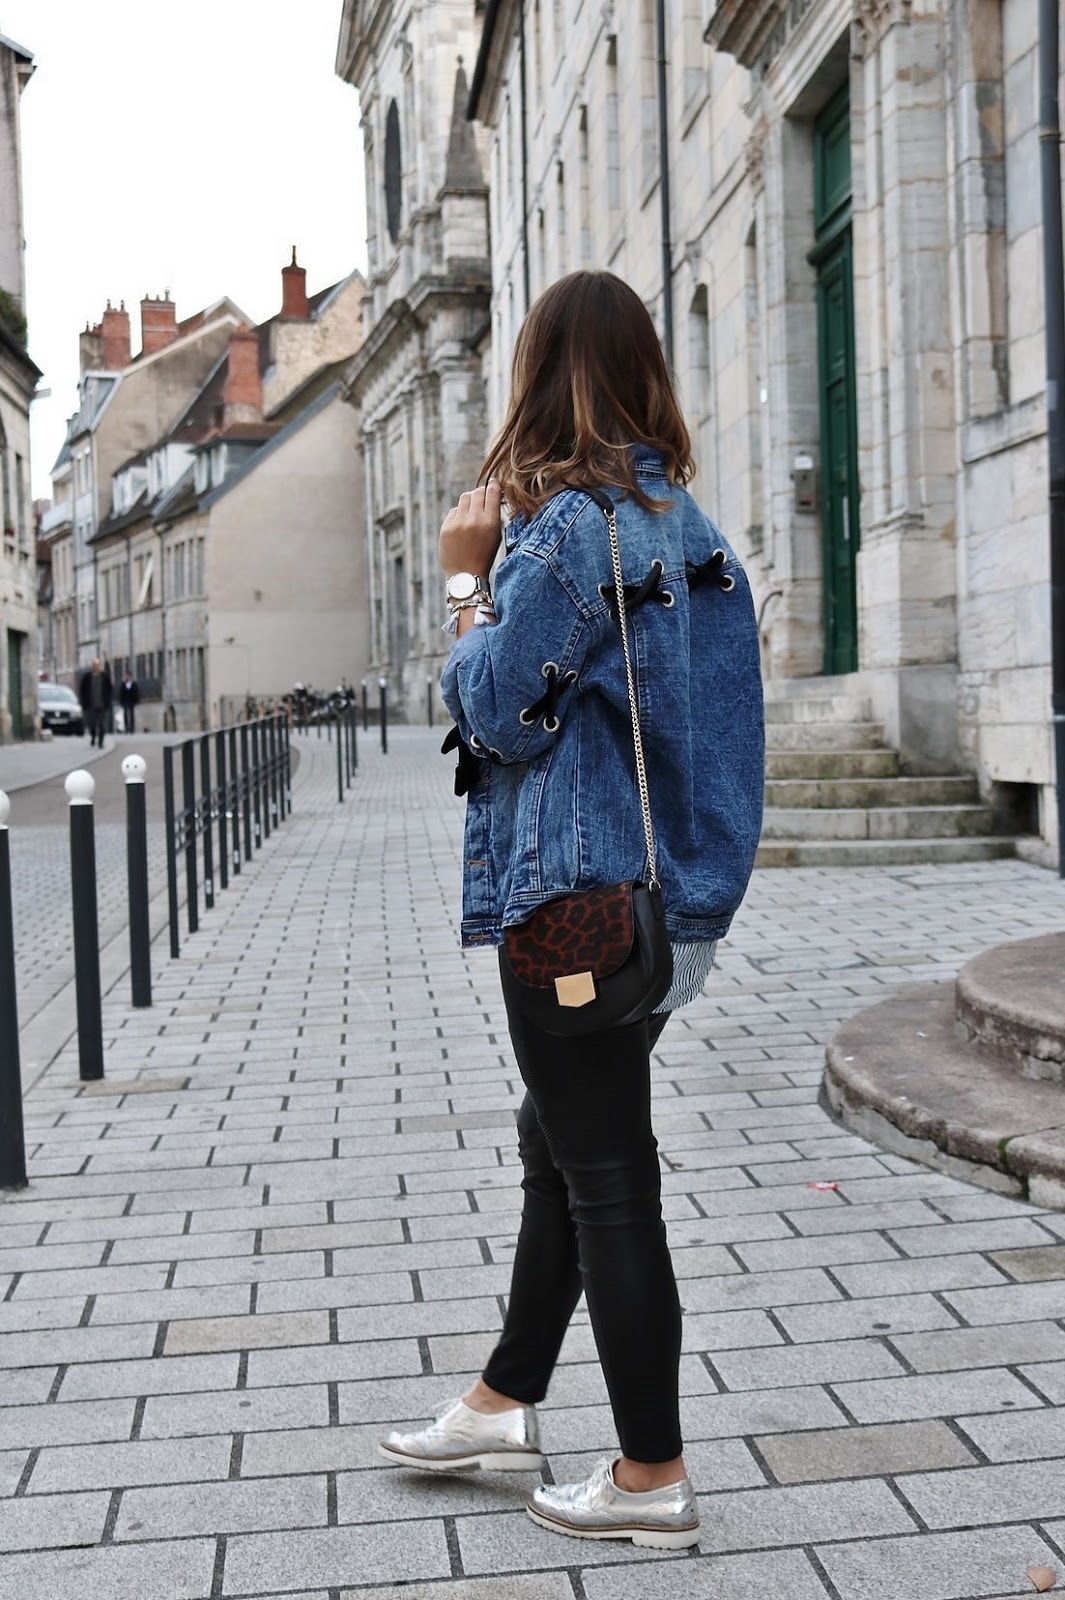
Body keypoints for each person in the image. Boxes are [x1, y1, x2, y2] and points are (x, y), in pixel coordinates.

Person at [377, 272, 764, 1548]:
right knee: (560, 1143)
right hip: (670, 905)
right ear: (645, 372)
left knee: (605, 1175)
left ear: (538, 378)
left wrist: (458, 584)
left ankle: (652, 1473)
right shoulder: (690, 528)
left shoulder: (563, 533)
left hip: (576, 903)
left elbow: (491, 708)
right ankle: (503, 1398)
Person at [79, 659, 113, 749]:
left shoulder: (104, 677)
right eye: (95, 665)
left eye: (98, 665)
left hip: (102, 705)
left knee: (101, 724)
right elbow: (82, 691)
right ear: (92, 666)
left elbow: (109, 690)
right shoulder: (87, 677)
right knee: (92, 724)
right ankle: (93, 736)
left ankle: (101, 742)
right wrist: (83, 702)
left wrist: (107, 702)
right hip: (90, 706)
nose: (96, 667)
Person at [119, 669, 140, 734]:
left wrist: (136, 701)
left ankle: (132, 729)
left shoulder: (134, 684)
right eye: (126, 676)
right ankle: (126, 728)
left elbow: (136, 693)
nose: (127, 677)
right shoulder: (123, 684)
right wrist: (121, 701)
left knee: (131, 715)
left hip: (131, 701)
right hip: (125, 701)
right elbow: (121, 693)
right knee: (125, 715)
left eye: (128, 676)